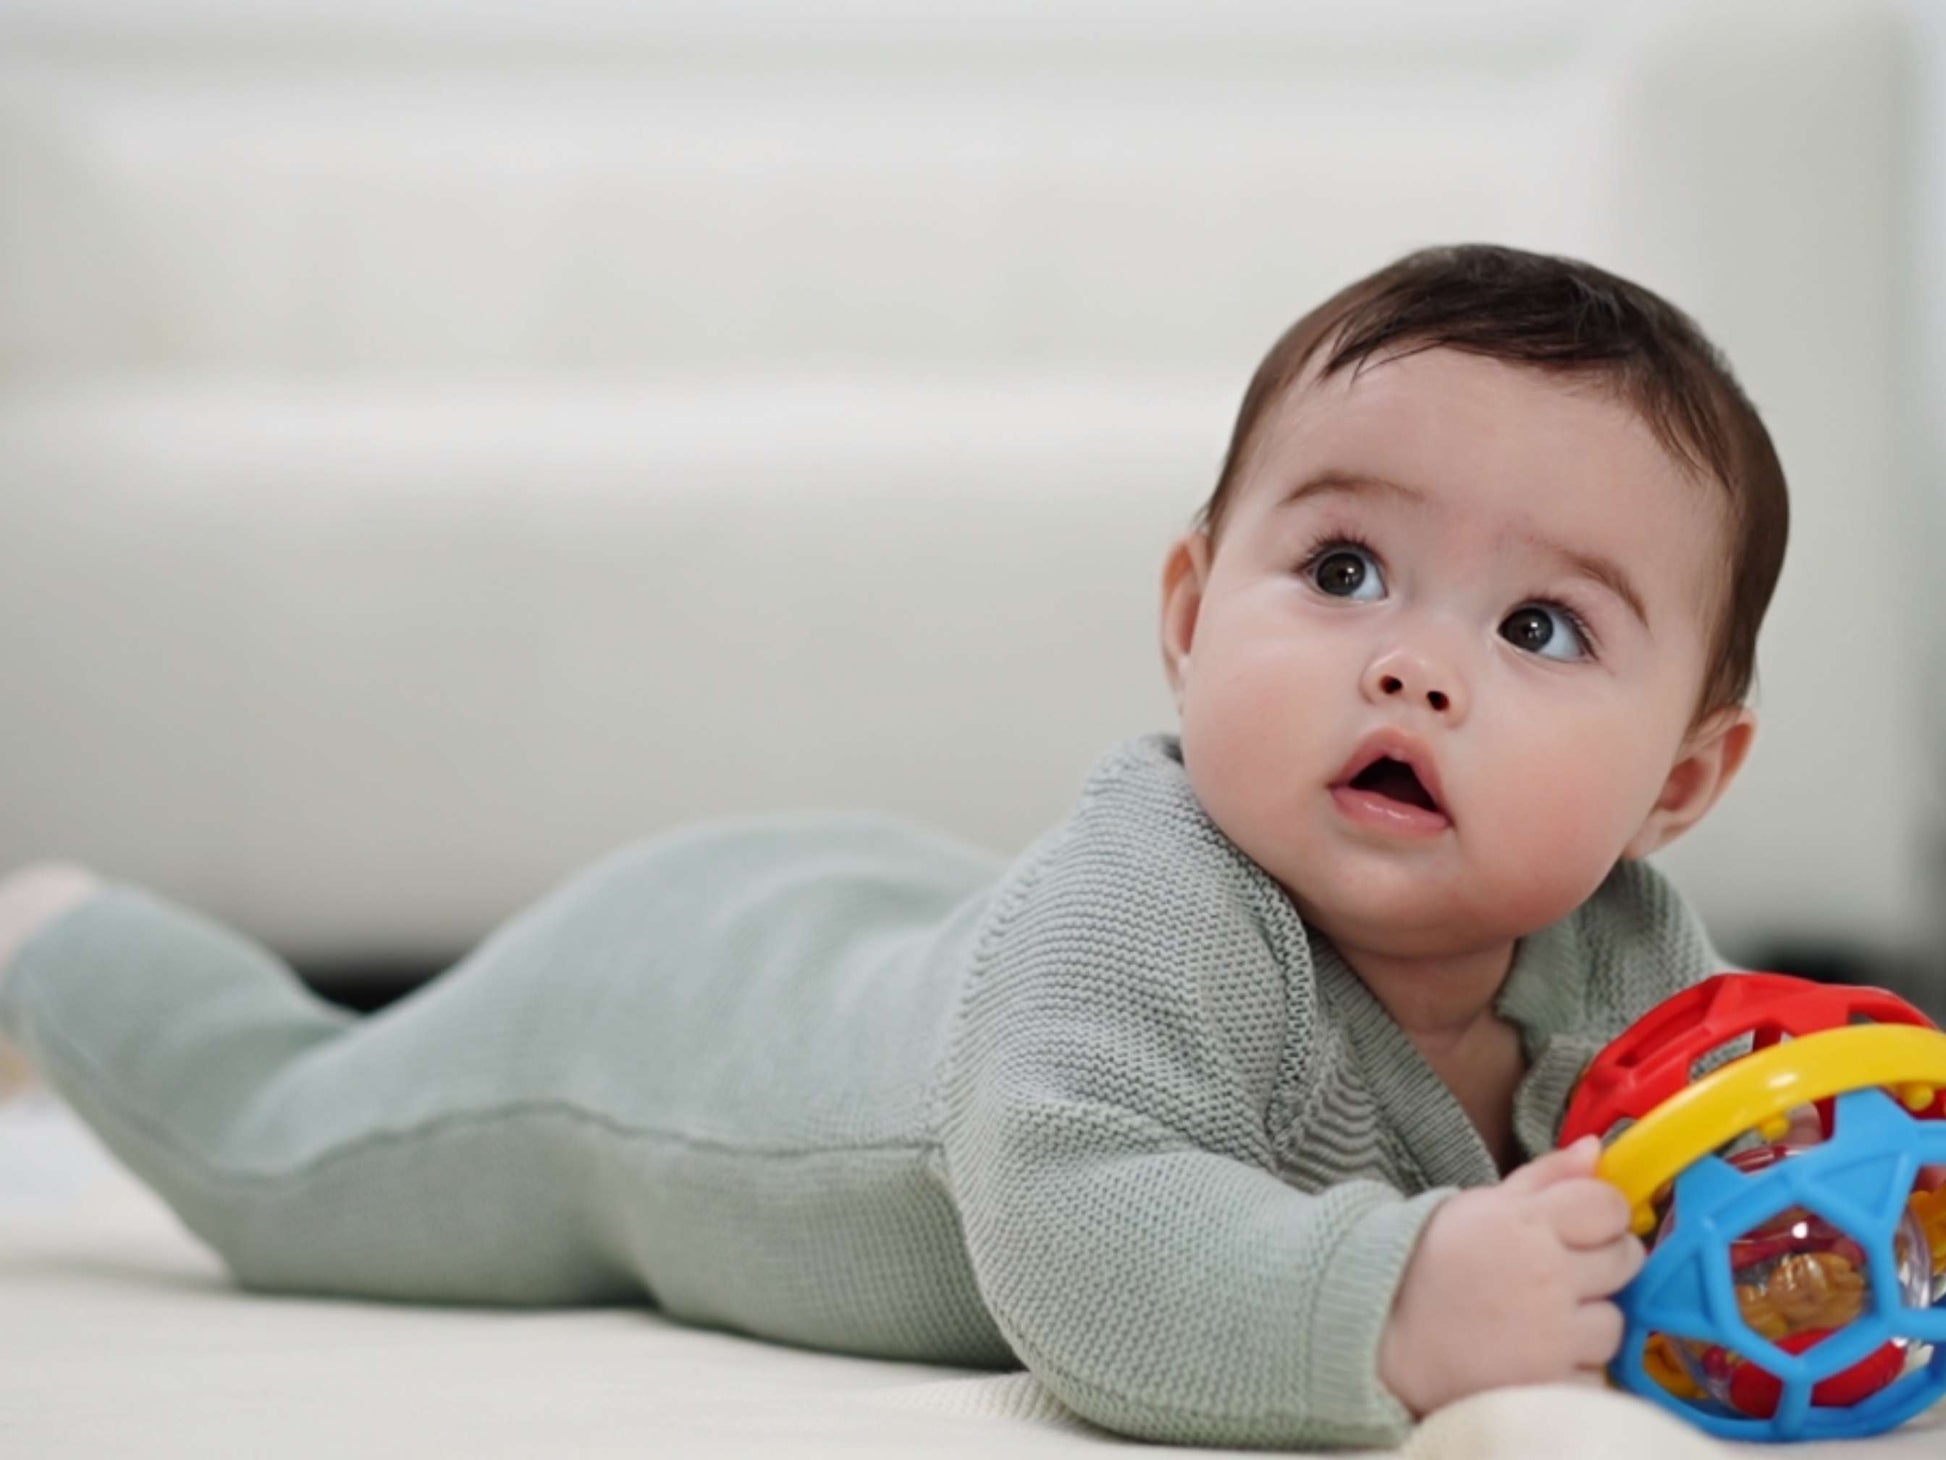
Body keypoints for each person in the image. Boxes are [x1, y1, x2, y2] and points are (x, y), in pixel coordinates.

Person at [0, 244, 1789, 1449]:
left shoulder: (1629, 951)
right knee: (286, 1154)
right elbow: (1081, 1247)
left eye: (1541, 630)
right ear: (1187, 611)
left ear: (1677, 787)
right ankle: (65, 939)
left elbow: (1747, 1137)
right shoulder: (1150, 908)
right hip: (672, 1018)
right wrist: (1390, 1309)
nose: (1408, 661)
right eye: (1339, 573)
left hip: (909, 921)